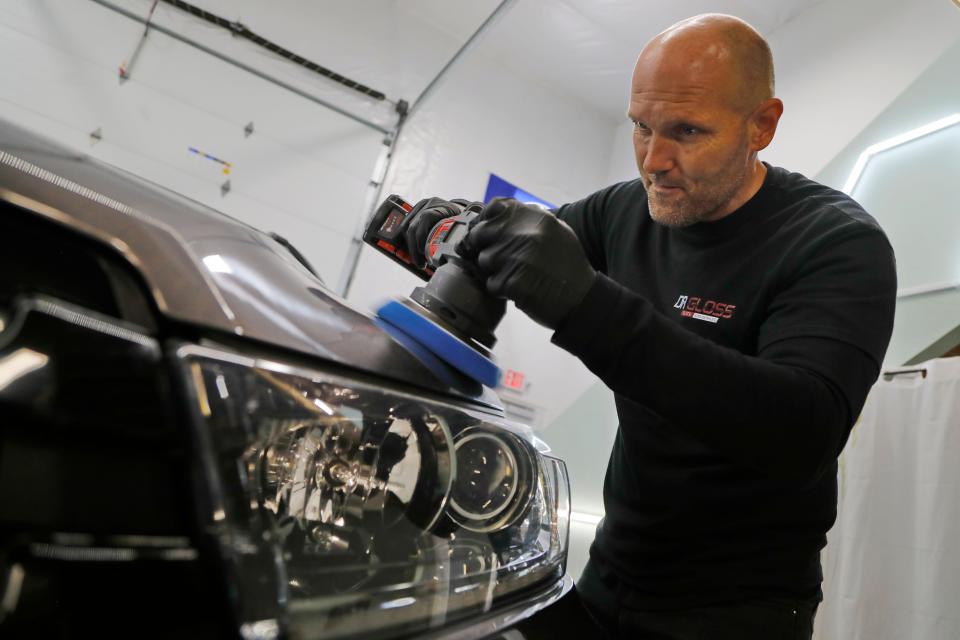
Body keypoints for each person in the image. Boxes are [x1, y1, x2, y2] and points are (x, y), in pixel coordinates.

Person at [401, 13, 897, 639]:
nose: (654, 161)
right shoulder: (624, 211)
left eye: (688, 131)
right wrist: (457, 229)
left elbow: (800, 430)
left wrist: (586, 307)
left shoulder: (835, 242)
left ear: (761, 126)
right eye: (641, 127)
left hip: (737, 611)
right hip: (610, 573)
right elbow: (526, 244)